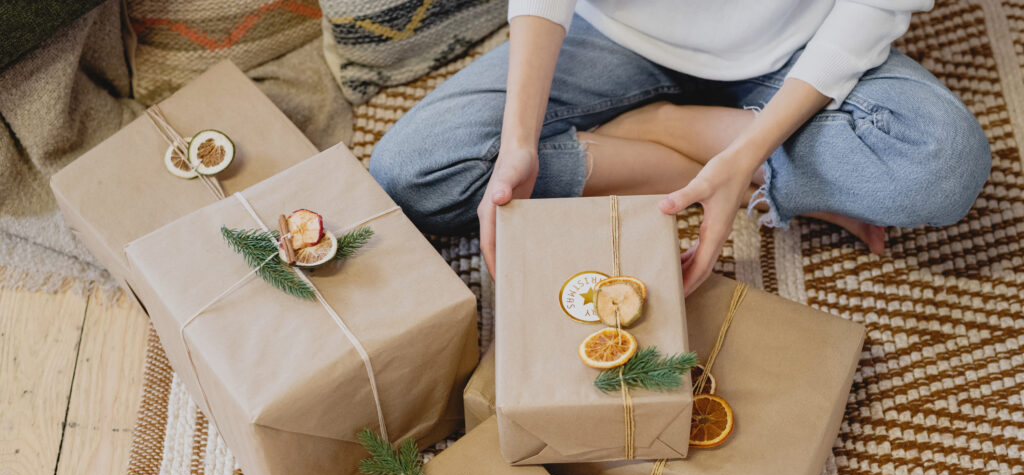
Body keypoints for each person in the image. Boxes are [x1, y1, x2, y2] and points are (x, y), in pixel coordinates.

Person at [369, 0, 991, 294]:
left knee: (941, 168)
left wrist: (747, 154)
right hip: (614, 34)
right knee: (413, 171)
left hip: (801, 49)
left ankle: (667, 127)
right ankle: (762, 167)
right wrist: (519, 141)